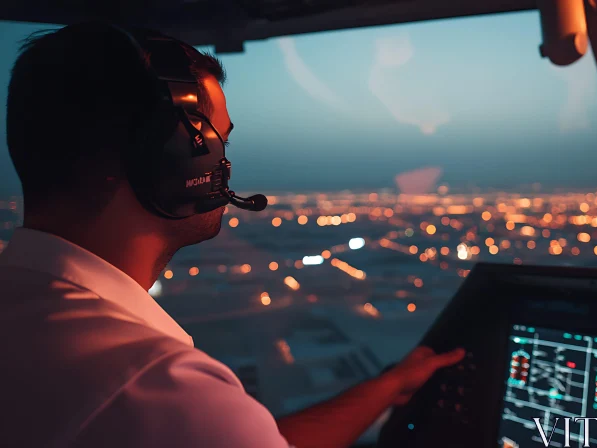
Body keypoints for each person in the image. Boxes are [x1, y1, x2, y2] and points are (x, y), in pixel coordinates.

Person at [0, 23, 464, 447]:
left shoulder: (31, 310)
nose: (224, 166)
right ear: (165, 161)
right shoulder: (159, 387)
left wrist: (387, 386)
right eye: (216, 142)